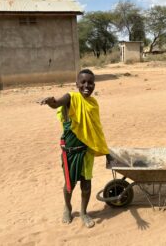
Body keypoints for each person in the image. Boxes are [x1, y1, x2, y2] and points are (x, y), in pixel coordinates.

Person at [40, 69, 110, 227]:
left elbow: (96, 130)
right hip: (70, 152)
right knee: (69, 185)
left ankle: (84, 212)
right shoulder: (70, 98)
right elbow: (57, 103)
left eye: (90, 82)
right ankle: (68, 207)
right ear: (77, 84)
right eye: (83, 82)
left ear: (94, 85)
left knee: (86, 185)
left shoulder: (93, 103)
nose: (87, 85)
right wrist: (51, 101)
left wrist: (106, 151)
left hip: (86, 152)